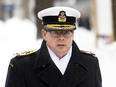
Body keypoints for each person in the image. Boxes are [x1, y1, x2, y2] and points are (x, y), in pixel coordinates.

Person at [5, 6, 102, 87]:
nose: (61, 38)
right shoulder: (22, 66)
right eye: (55, 32)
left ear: (73, 35)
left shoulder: (90, 64)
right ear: (44, 34)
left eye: (66, 33)